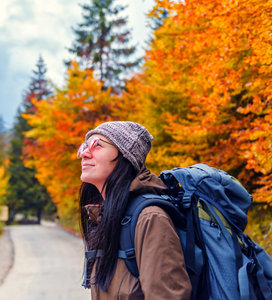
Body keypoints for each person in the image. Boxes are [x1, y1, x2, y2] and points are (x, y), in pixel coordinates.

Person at [77, 121, 191, 299]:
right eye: (84, 146)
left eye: (96, 145)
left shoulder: (150, 219)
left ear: (125, 156)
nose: (83, 153)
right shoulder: (107, 216)